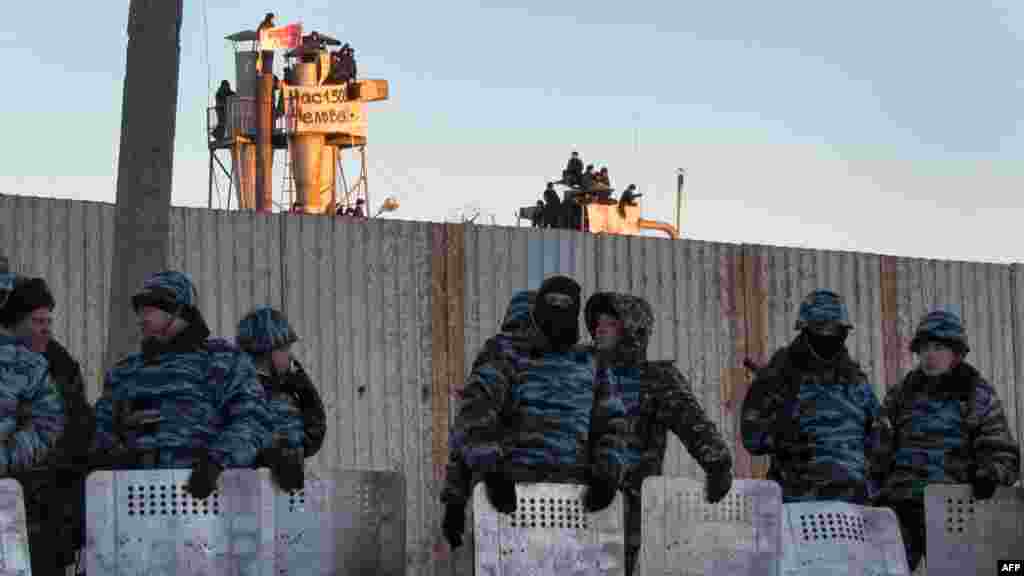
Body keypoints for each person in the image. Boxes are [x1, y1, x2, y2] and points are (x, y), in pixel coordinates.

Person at [440, 276, 628, 549]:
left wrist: (608, 471)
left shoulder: (589, 361)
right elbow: (473, 417)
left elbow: (612, 423)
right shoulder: (505, 353)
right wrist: (464, 493)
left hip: (574, 502)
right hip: (508, 497)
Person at [585, 292, 733, 575]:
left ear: (632, 330)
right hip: (576, 499)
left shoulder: (655, 378)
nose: (599, 330)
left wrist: (717, 463)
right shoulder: (581, 370)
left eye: (610, 324)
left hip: (626, 509)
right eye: (597, 324)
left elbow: (692, 421)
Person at [91, 271, 271, 500]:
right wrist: (117, 454)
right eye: (140, 310)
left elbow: (253, 420)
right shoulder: (126, 372)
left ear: (179, 311)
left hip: (209, 501)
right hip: (138, 502)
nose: (142, 318)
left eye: (152, 309)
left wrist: (215, 463)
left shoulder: (222, 361)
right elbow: (99, 430)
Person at [876, 309, 1020, 571]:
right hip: (899, 509)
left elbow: (1003, 455)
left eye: (939, 347)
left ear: (957, 352)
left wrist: (989, 474)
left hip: (950, 511)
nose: (930, 355)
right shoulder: (902, 394)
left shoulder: (976, 394)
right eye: (925, 348)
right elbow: (878, 449)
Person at [741, 289, 890, 504]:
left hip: (853, 506)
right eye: (821, 329)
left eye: (834, 329)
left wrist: (869, 481)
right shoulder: (781, 374)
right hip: (799, 503)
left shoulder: (854, 379)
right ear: (805, 329)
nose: (828, 336)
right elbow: (752, 439)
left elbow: (881, 436)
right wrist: (785, 433)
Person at [0, 277, 94, 574]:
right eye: (38, 321)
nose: (47, 329)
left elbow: (65, 426)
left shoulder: (53, 362)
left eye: (48, 321)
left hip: (41, 500)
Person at [237, 307, 327, 492]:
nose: (290, 356)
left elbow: (311, 440)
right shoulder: (248, 393)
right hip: (257, 499)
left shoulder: (282, 391)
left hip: (273, 500)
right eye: (285, 349)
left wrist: (303, 389)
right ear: (268, 351)